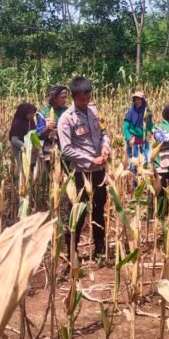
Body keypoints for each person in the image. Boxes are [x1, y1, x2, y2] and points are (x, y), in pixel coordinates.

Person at [58, 76, 111, 264]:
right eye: (82, 99)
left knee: (99, 210)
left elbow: (104, 133)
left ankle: (99, 249)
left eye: (88, 98)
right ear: (73, 97)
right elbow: (66, 149)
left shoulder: (94, 111)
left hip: (99, 171)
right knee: (77, 212)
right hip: (80, 173)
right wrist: (90, 159)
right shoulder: (66, 119)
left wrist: (106, 148)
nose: (86, 102)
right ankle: (72, 250)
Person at [123, 90, 153, 183]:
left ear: (143, 100)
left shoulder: (146, 112)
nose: (137, 102)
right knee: (134, 164)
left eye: (139, 99)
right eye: (135, 100)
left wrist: (152, 132)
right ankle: (136, 185)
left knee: (146, 161)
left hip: (143, 142)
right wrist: (129, 139)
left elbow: (150, 125)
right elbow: (126, 127)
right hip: (134, 142)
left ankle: (145, 184)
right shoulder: (131, 112)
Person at [39, 85, 69, 163]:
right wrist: (47, 129)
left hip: (68, 153)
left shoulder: (68, 112)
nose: (65, 100)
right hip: (50, 152)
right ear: (54, 98)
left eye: (66, 97)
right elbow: (39, 135)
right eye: (63, 97)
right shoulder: (43, 113)